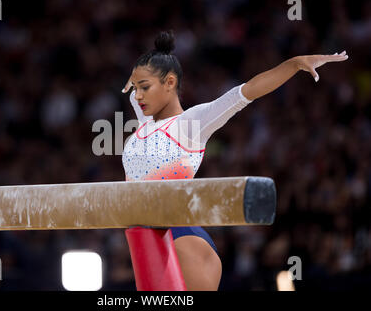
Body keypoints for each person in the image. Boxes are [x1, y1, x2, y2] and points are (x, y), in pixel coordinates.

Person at [121, 30, 348, 291]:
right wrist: (141, 76)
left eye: (145, 88)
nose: (138, 96)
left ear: (170, 83)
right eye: (137, 89)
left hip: (181, 238)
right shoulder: (145, 120)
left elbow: (246, 92)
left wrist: (294, 64)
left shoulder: (191, 123)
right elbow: (134, 91)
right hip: (148, 234)